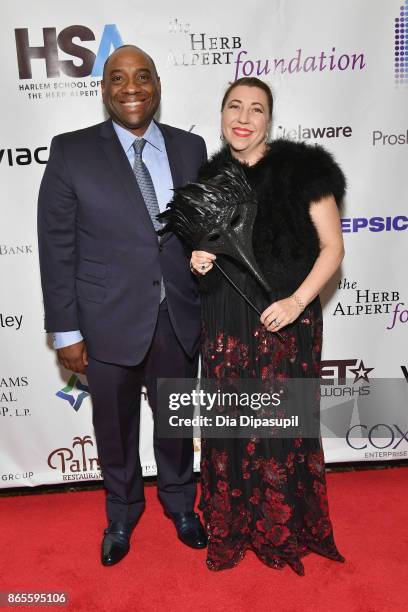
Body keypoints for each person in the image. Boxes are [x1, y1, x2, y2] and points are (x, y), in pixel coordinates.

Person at [37, 45, 207, 566]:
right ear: (104, 89)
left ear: (157, 83)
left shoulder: (191, 147)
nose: (130, 87)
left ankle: (180, 502)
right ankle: (121, 511)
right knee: (113, 426)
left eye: (141, 77)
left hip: (176, 315)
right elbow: (56, 243)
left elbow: (203, 231)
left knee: (175, 422)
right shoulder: (71, 151)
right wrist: (66, 333)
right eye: (117, 78)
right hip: (104, 318)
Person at [190, 77, 345, 575]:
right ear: (220, 115)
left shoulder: (303, 169)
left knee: (279, 430)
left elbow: (333, 249)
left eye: (256, 109)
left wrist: (298, 301)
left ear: (269, 119)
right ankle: (233, 528)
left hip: (284, 319)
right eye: (234, 106)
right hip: (227, 321)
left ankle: (282, 529)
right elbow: (211, 246)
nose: (244, 117)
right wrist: (200, 258)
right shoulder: (210, 179)